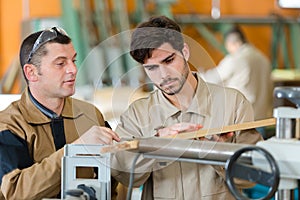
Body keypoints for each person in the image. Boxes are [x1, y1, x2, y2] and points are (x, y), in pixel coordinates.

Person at [111, 16, 263, 199]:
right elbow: (125, 175)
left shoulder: (233, 104)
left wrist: (219, 153)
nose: (163, 75)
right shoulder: (138, 114)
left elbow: (253, 175)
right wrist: (155, 144)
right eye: (152, 68)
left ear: (185, 51)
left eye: (169, 61)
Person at [0, 27, 120, 199]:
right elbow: (14, 191)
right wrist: (74, 151)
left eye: (73, 60)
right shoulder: (8, 126)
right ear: (31, 72)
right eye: (61, 63)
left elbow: (114, 180)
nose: (73, 70)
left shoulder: (91, 116)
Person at [199, 25, 273, 122]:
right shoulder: (264, 59)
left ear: (232, 44)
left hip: (242, 120)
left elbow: (211, 79)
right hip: (262, 119)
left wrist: (200, 74)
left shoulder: (235, 59)